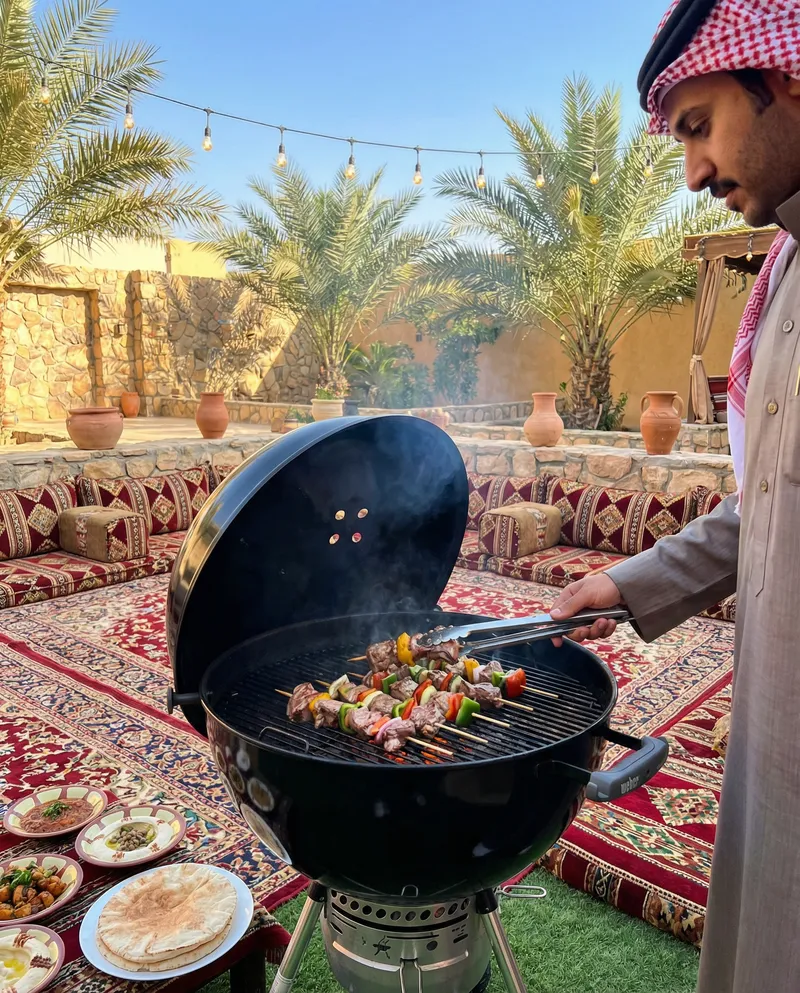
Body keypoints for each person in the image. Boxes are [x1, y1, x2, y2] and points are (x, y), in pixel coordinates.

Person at [549, 2, 800, 991]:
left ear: (781, 74)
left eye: (697, 126)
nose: (690, 171)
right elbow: (770, 502)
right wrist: (628, 583)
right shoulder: (781, 265)